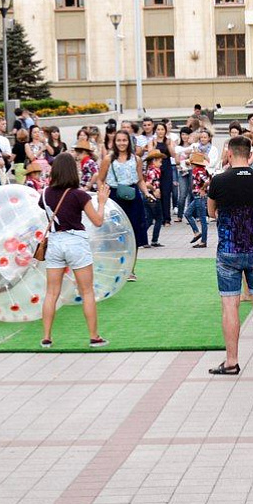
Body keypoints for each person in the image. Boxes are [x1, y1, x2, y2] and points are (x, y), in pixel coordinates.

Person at [207, 136, 253, 375]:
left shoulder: (219, 180)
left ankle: (232, 361)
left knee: (230, 306)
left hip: (229, 249)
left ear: (229, 153)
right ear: (249, 154)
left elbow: (211, 211)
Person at [40, 153, 112, 349]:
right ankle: (94, 337)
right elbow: (97, 221)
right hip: (76, 242)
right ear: (73, 171)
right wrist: (102, 202)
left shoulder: (45, 194)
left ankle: (46, 337)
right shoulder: (78, 194)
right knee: (87, 291)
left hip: (55, 242)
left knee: (51, 293)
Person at [98, 129, 149, 267]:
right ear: (114, 142)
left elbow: (140, 180)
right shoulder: (108, 159)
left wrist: (146, 193)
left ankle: (131, 268)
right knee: (114, 232)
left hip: (133, 196)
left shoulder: (136, 159)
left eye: (124, 140)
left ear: (129, 142)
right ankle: (117, 266)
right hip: (114, 197)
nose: (122, 143)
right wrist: (101, 195)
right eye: (119, 140)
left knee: (134, 232)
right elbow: (100, 179)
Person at [185, 152, 211, 248]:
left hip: (199, 197)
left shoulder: (198, 171)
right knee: (188, 214)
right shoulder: (202, 170)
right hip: (198, 197)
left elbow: (207, 181)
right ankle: (197, 233)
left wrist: (202, 189)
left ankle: (203, 241)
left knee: (202, 219)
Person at [141, 149, 164, 249]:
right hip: (152, 196)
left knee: (149, 219)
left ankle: (143, 239)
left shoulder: (149, 170)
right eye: (160, 161)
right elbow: (147, 184)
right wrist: (154, 189)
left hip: (147, 196)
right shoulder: (153, 171)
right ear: (154, 161)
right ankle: (154, 240)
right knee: (159, 218)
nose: (161, 164)